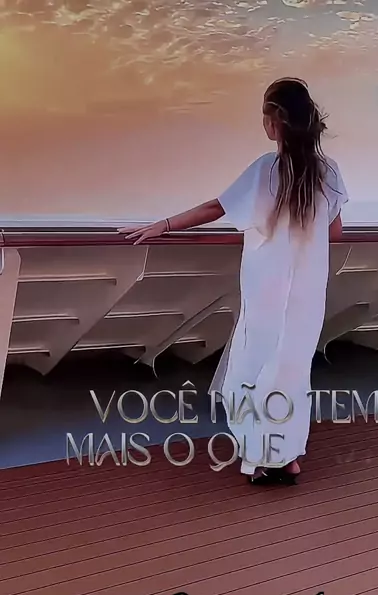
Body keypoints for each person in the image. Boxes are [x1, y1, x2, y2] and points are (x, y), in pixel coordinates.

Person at [119, 77, 348, 486]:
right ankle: (287, 458)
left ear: (275, 121)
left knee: (246, 373)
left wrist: (163, 225)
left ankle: (259, 458)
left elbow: (217, 207)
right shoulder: (327, 171)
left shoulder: (266, 169)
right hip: (308, 294)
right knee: (290, 375)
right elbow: (335, 232)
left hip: (266, 291)